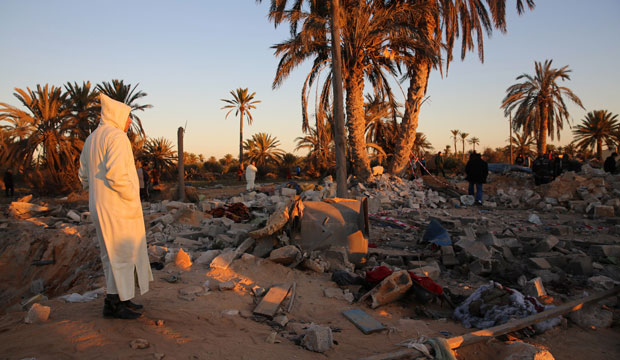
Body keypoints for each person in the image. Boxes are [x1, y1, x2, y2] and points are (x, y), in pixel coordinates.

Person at [79, 94, 153, 320]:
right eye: (128, 117)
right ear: (118, 116)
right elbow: (117, 175)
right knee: (122, 253)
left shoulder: (92, 138)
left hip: (100, 205)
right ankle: (117, 304)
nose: (130, 122)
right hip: (118, 206)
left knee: (110, 254)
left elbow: (83, 175)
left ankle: (117, 300)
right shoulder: (117, 137)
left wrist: (95, 193)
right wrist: (131, 197)